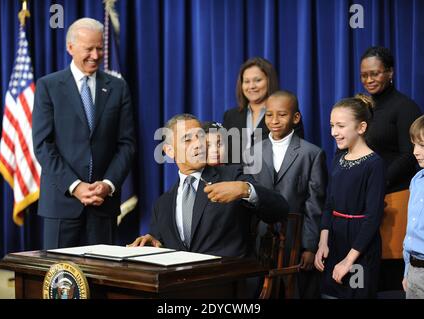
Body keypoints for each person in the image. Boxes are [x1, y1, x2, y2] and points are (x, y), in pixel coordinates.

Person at [32, 18, 135, 249]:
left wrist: (108, 184)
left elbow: (126, 144)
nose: (96, 55)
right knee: (60, 279)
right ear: (70, 48)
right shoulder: (48, 86)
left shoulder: (118, 87)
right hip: (61, 203)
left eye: (100, 48)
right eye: (89, 49)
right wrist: (75, 185)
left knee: (100, 278)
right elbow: (43, 145)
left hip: (103, 203)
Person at [129, 114, 288, 259]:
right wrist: (151, 242)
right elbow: (159, 242)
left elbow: (280, 209)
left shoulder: (232, 177)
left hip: (228, 282)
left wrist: (245, 190)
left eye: (201, 137)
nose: (198, 144)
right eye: (187, 139)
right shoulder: (162, 204)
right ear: (170, 151)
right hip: (180, 285)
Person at [250, 91, 327, 298]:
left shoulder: (311, 154)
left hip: (294, 241)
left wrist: (310, 246)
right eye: (269, 114)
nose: (274, 121)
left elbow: (314, 204)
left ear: (295, 118)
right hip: (260, 241)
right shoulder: (252, 152)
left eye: (282, 115)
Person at [360, 46, 422, 290]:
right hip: (365, 199)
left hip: (395, 196)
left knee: (390, 271)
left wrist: (379, 183)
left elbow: (410, 155)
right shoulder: (361, 106)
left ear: (390, 73)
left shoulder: (405, 107)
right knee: (367, 267)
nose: (369, 80)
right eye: (364, 75)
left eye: (375, 73)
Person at [314, 94, 386, 299]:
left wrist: (349, 260)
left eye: (340, 126)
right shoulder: (338, 158)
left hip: (359, 247)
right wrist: (322, 242)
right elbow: (329, 203)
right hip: (335, 240)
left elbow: (373, 217)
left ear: (361, 127)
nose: (333, 132)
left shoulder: (374, 164)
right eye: (331, 125)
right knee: (330, 293)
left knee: (355, 294)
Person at [223, 57, 304, 164]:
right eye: (246, 81)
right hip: (235, 179)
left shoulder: (286, 114)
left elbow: (295, 154)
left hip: (272, 179)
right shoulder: (230, 116)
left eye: (257, 80)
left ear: (269, 81)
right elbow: (225, 156)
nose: (251, 86)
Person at [402, 112, 424, 299]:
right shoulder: (417, 180)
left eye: (422, 145)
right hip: (413, 270)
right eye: (414, 144)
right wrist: (407, 270)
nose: (415, 151)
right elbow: (411, 231)